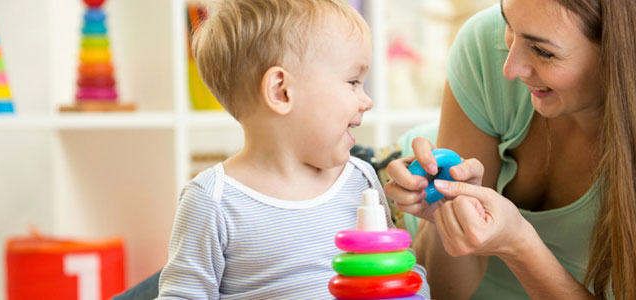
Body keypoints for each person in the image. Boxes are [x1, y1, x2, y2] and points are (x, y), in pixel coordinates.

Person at [384, 0, 636, 299]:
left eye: (543, 52)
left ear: (621, 57)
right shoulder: (487, 49)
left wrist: (520, 246)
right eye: (508, 25)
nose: (510, 67)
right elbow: (444, 291)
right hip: (405, 249)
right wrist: (444, 214)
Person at [155, 0, 431, 298]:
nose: (367, 101)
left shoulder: (359, 178)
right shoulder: (214, 200)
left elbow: (397, 270)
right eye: (353, 81)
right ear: (281, 91)